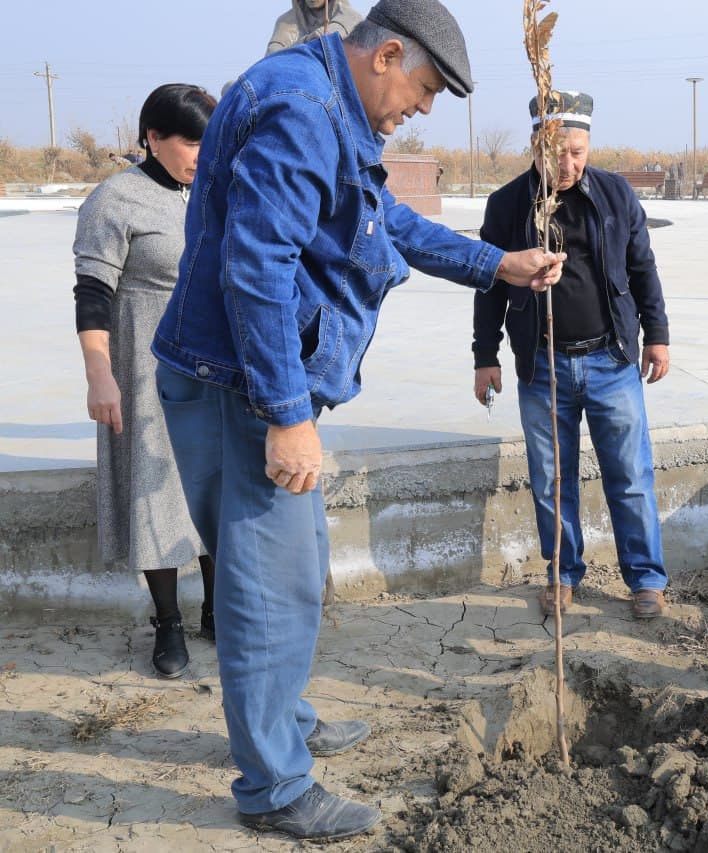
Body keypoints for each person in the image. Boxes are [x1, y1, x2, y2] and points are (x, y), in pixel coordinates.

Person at [150, 0, 564, 841]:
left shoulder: (324, 101)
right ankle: (274, 788)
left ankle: (284, 722)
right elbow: (258, 266)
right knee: (271, 588)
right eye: (422, 88)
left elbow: (382, 221)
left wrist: (496, 264)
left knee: (278, 568)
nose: (421, 108)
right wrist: (285, 413)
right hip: (242, 386)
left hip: (236, 376)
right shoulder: (304, 111)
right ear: (385, 55)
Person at [473, 90, 672, 620]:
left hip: (611, 362)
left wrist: (657, 333)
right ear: (535, 146)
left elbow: (642, 267)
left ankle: (645, 580)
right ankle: (562, 574)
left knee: (630, 474)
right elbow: (489, 284)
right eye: (556, 151)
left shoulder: (615, 195)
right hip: (542, 368)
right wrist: (484, 354)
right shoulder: (508, 205)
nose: (567, 164)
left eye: (578, 152)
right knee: (551, 479)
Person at [73, 83, 218, 681]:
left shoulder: (213, 193)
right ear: (152, 138)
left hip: (211, 366)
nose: (199, 153)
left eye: (207, 141)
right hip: (142, 368)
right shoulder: (114, 200)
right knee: (153, 494)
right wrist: (99, 375)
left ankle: (219, 608)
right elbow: (91, 296)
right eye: (189, 140)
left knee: (214, 488)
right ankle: (168, 622)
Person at [266, 0, 364, 55]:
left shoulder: (350, 17)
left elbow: (330, 36)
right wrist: (306, 41)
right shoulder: (286, 21)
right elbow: (271, 55)